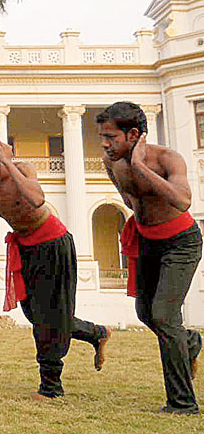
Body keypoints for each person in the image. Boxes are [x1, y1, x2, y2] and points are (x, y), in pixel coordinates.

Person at [0, 126, 110, 400]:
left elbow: (37, 198)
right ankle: (95, 333)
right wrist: (7, 215)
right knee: (35, 314)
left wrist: (7, 161)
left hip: (53, 243)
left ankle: (51, 387)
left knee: (48, 317)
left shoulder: (23, 169)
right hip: (26, 246)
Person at [98, 101, 201, 414]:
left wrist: (141, 167)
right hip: (148, 242)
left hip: (181, 242)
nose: (104, 144)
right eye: (102, 136)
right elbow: (130, 200)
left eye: (111, 137)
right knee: (145, 312)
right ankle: (190, 343)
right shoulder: (111, 161)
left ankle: (183, 403)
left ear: (133, 135)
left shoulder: (168, 158)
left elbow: (183, 201)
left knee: (164, 316)